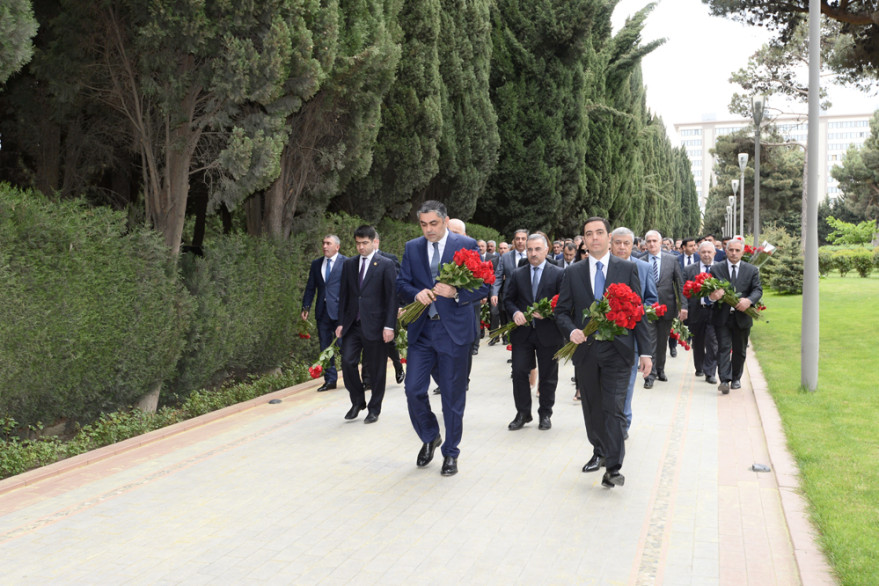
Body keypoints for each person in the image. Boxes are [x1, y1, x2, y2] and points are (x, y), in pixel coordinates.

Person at [555, 217, 654, 489]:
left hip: (619, 351)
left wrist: (646, 352)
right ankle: (598, 450)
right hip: (585, 352)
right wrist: (571, 330)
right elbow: (561, 311)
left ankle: (613, 466)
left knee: (614, 409)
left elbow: (637, 312)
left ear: (609, 237)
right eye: (589, 234)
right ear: (584, 241)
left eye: (600, 233)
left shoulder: (627, 268)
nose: (595, 238)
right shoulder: (572, 273)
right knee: (592, 408)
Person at [396, 200, 489, 476]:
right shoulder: (412, 248)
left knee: (452, 396)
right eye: (423, 225)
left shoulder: (466, 245)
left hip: (454, 334)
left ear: (445, 221)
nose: (428, 230)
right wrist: (415, 294)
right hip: (422, 332)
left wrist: (457, 293)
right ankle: (430, 435)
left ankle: (451, 453)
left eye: (433, 224)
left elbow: (483, 284)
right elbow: (401, 283)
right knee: (413, 389)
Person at [335, 226, 397, 423]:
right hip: (353, 324)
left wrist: (389, 326)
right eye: (358, 243)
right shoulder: (349, 264)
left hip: (377, 326)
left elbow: (391, 298)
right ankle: (358, 401)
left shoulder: (386, 264)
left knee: (377, 370)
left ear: (374, 242)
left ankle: (374, 408)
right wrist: (340, 323)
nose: (360, 247)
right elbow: (344, 295)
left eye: (365, 243)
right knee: (347, 362)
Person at [503, 234, 565, 431]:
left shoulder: (558, 273)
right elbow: (508, 300)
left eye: (537, 249)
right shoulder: (517, 274)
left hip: (549, 333)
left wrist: (549, 313)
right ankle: (523, 413)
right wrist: (515, 313)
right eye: (529, 249)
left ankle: (545, 413)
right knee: (519, 372)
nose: (533, 253)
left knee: (548, 376)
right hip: (523, 334)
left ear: (546, 250)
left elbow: (564, 303)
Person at [610, 227, 658, 439]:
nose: (621, 247)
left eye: (626, 243)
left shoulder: (643, 267)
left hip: (631, 337)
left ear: (634, 245)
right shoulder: (604, 266)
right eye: (617, 243)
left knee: (627, 384)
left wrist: (633, 312)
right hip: (605, 334)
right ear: (611, 243)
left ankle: (623, 424)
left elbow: (651, 299)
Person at [709, 238, 762, 394]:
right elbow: (709, 292)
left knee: (739, 350)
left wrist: (749, 300)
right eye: (731, 250)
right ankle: (724, 380)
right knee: (723, 348)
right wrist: (714, 295)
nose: (733, 253)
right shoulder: (716, 269)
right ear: (726, 251)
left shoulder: (752, 270)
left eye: (737, 250)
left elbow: (757, 290)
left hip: (742, 316)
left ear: (742, 252)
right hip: (722, 316)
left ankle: (736, 378)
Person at [301, 235, 347, 392]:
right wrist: (305, 307)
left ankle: (350, 377)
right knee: (325, 347)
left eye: (328, 243)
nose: (325, 246)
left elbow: (352, 288)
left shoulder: (346, 263)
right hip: (322, 312)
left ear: (337, 247)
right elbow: (310, 287)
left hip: (341, 312)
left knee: (344, 346)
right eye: (323, 243)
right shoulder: (316, 264)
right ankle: (330, 380)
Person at [642, 230, 683, 389]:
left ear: (660, 243)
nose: (652, 244)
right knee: (650, 341)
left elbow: (679, 284)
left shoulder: (672, 260)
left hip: (667, 307)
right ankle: (649, 376)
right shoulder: (641, 260)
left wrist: (683, 307)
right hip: (648, 309)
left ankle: (660, 369)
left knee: (662, 341)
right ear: (645, 244)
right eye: (649, 241)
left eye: (654, 241)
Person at [685, 241, 719, 385]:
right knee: (698, 341)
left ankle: (710, 372)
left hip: (714, 310)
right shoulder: (689, 270)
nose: (706, 255)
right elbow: (684, 291)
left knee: (713, 342)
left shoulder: (720, 268)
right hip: (696, 310)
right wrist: (684, 308)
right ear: (698, 253)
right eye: (703, 252)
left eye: (709, 252)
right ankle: (699, 366)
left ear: (714, 253)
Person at [374, 231, 405, 385]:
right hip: (368, 309)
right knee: (369, 342)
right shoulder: (357, 261)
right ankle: (368, 380)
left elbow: (397, 285)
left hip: (387, 307)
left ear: (376, 242)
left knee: (388, 341)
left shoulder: (390, 259)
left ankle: (398, 365)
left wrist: (399, 306)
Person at [491, 229, 528, 345]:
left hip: (528, 297)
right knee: (513, 327)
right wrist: (494, 293)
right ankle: (515, 353)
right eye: (518, 239)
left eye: (523, 239)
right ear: (514, 241)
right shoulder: (506, 257)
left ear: (527, 240)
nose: (520, 241)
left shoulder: (533, 255)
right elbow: (498, 276)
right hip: (511, 298)